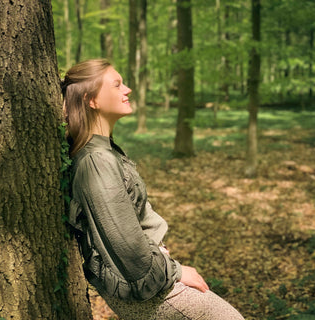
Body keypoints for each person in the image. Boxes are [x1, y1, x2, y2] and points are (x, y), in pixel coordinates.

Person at [62, 59, 245, 320]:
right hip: (145, 286)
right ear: (92, 100)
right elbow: (127, 248)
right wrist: (176, 272)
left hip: (150, 275)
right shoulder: (96, 161)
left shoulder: (104, 151)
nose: (128, 89)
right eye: (117, 84)